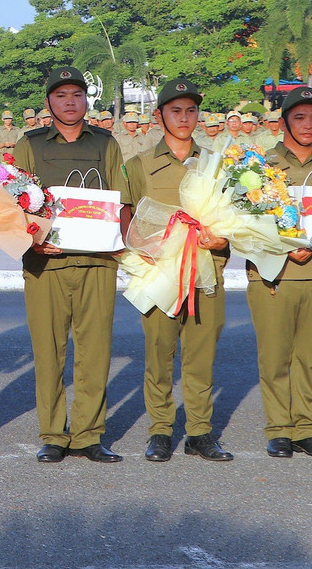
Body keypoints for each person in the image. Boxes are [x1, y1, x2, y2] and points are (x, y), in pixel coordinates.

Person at [14, 66, 127, 464]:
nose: (69, 102)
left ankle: (89, 435)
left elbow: (122, 198)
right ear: (49, 102)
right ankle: (52, 434)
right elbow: (12, 203)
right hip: (47, 263)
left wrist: (121, 245)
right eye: (61, 96)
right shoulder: (30, 144)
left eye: (77, 95)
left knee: (95, 351)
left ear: (86, 100)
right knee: (49, 352)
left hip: (97, 262)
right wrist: (31, 242)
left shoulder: (106, 142)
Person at [121, 79, 233, 463]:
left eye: (190, 110)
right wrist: (139, 248)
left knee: (201, 358)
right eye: (175, 110)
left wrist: (222, 242)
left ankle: (200, 432)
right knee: (159, 355)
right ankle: (160, 431)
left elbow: (235, 217)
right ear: (159, 116)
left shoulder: (217, 164)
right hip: (160, 276)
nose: (184, 118)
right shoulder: (139, 165)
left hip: (205, 274)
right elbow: (125, 214)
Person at [249, 87, 312, 458]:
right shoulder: (260, 165)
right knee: (276, 356)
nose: (308, 125)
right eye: (299, 117)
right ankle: (279, 428)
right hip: (275, 274)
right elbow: (246, 224)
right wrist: (285, 248)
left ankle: (307, 427)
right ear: (283, 123)